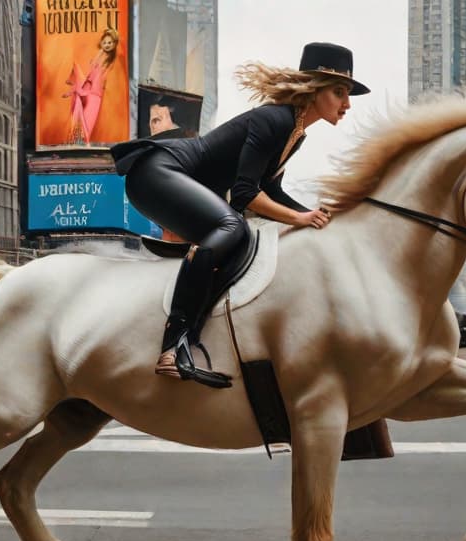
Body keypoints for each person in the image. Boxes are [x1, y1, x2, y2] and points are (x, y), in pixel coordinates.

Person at [111, 42, 369, 386]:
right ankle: (172, 347)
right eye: (340, 93)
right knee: (232, 227)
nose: (347, 104)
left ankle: (192, 335)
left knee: (235, 232)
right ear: (314, 90)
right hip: (158, 172)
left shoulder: (295, 133)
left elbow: (271, 191)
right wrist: (301, 219)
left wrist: (314, 216)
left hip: (169, 178)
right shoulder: (274, 120)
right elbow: (246, 194)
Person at [64, 28, 119, 145]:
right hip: (88, 90)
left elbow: (106, 76)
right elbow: (92, 68)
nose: (107, 45)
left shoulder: (113, 60)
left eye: (110, 42)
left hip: (96, 94)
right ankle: (79, 141)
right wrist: (100, 52)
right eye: (104, 43)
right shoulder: (99, 57)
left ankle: (83, 142)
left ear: (115, 43)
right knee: (81, 116)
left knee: (88, 120)